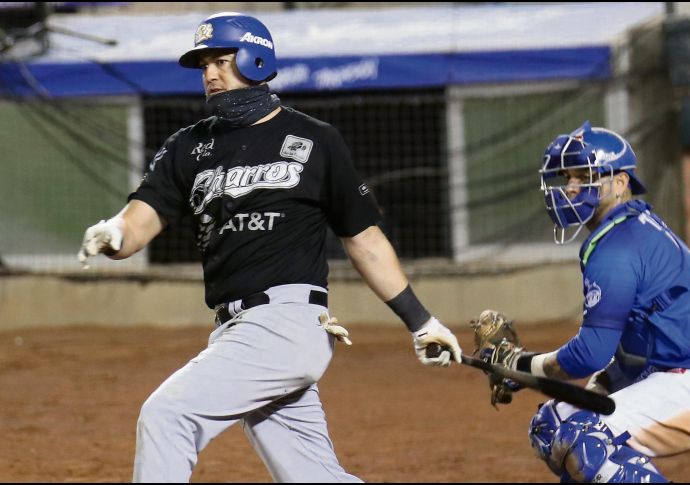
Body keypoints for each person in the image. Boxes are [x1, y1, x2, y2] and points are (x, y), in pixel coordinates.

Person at [77, 12, 462, 483]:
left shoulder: (315, 140)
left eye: (221, 60)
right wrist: (114, 232)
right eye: (203, 65)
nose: (210, 75)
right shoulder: (188, 146)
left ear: (257, 60)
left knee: (167, 415)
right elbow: (142, 218)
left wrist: (421, 322)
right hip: (236, 329)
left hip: (285, 324)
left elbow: (364, 241)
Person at [477, 121, 690, 483]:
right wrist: (595, 387)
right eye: (569, 177)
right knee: (553, 424)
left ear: (621, 182)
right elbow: (633, 346)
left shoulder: (617, 245)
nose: (572, 188)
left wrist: (521, 364)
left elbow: (589, 354)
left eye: (586, 176)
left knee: (583, 437)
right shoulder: (632, 226)